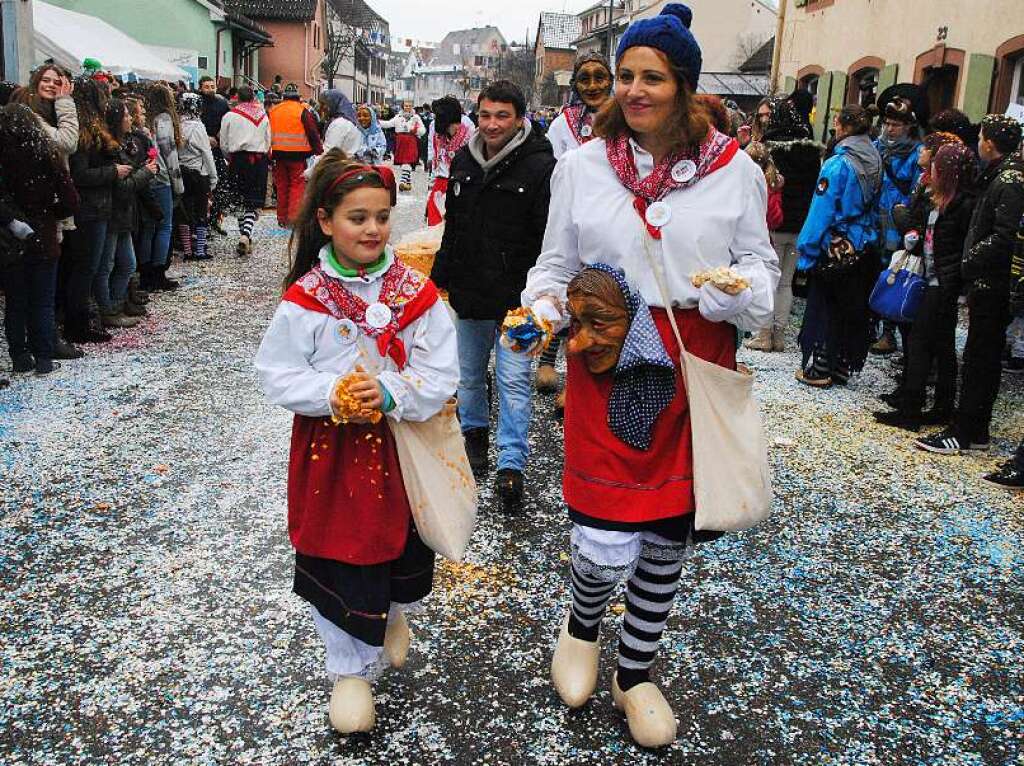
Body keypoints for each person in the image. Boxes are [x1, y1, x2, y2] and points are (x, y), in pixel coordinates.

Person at [518, 4, 777, 748]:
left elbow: (763, 271)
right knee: (603, 527)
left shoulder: (736, 173)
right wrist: (540, 311)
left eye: (651, 77)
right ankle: (581, 624)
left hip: (694, 364)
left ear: (686, 86)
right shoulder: (583, 165)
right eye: (625, 75)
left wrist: (736, 288)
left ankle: (636, 672)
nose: (631, 89)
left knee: (665, 535)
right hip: (608, 355)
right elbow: (556, 266)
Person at [255, 151, 458, 735]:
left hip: (400, 449)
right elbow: (277, 372)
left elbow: (440, 372)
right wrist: (332, 391)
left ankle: (390, 614)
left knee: (399, 546)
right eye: (357, 218)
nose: (372, 229)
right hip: (333, 455)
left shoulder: (414, 291)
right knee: (341, 550)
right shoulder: (306, 299)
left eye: (382, 217)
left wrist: (392, 393)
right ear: (325, 221)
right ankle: (348, 668)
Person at [429, 80, 557, 512]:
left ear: (519, 118)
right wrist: (441, 273)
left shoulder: (540, 166)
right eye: (485, 115)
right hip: (469, 288)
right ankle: (475, 438)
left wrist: (540, 292)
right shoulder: (465, 159)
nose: (492, 124)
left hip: (515, 295)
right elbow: (454, 224)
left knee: (514, 381)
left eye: (502, 116)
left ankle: (511, 466)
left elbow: (546, 237)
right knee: (467, 375)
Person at [915, 115, 1024, 455]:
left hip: (993, 283)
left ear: (989, 142)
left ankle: (966, 430)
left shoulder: (1008, 180)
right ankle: (974, 429)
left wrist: (969, 261)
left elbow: (1004, 235)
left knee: (981, 357)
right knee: (979, 355)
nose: (978, 142)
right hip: (987, 280)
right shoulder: (998, 176)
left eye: (981, 137)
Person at [874, 142, 975, 431]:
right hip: (933, 275)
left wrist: (949, 281)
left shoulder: (961, 204)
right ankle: (939, 406)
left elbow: (955, 247)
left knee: (921, 343)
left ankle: (912, 409)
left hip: (941, 282)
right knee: (939, 345)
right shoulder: (943, 199)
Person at [538, 53, 614, 402]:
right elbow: (555, 176)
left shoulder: (623, 118)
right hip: (573, 218)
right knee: (565, 294)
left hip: (609, 222)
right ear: (575, 85)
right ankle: (549, 362)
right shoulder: (562, 125)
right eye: (585, 78)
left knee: (600, 305)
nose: (594, 85)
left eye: (600, 77)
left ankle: (578, 383)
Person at [795, 104, 882, 387]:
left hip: (835, 243)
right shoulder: (876, 159)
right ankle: (844, 364)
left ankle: (821, 367)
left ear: (842, 127)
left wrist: (806, 251)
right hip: (863, 242)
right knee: (853, 308)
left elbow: (821, 211)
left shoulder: (838, 164)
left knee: (825, 307)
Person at [0, 103, 79, 375]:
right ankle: (44, 357)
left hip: (10, 239)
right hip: (44, 234)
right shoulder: (47, 153)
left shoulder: (5, 156)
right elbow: (70, 200)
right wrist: (50, 214)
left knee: (16, 301)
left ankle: (20, 356)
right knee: (42, 300)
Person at [745, 96, 822, 352]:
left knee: (769, 279)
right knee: (786, 282)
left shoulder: (771, 148)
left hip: (774, 223)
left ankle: (764, 333)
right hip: (800, 225)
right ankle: (779, 335)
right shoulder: (811, 150)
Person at [64, 78, 126, 343]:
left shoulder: (88, 131)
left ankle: (81, 320)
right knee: (86, 268)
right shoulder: (85, 134)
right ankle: (78, 324)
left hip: (96, 207)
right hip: (90, 209)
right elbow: (81, 175)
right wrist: (113, 171)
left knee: (89, 267)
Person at [97, 98, 157, 328]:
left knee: (127, 264)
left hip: (123, 214)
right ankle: (108, 309)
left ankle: (116, 303)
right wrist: (146, 173)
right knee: (107, 265)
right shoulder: (111, 148)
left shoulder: (123, 144)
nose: (131, 118)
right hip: (114, 214)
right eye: (127, 115)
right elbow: (122, 187)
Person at [871, 96, 923, 356]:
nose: (890, 129)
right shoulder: (876, 147)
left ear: (908, 126)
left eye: (896, 124)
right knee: (873, 272)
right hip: (874, 219)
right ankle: (871, 324)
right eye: (887, 123)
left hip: (898, 222)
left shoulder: (916, 153)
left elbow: (917, 191)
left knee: (894, 274)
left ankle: (889, 332)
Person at [219, 86, 271, 256]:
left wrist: (229, 157)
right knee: (253, 201)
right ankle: (246, 234)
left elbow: (224, 143)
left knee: (240, 199)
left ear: (237, 98)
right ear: (252, 98)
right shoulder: (263, 115)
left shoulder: (230, 115)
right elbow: (268, 139)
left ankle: (244, 234)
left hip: (238, 160)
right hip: (258, 160)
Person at [143, 83, 184, 291]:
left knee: (149, 227)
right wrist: (179, 185)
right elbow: (170, 154)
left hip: (145, 177)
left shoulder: (145, 119)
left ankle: (145, 271)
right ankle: (158, 271)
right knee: (164, 226)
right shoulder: (164, 120)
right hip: (161, 177)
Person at [269, 83, 323, 227]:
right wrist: (319, 151)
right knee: (297, 186)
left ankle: (281, 218)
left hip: (278, 154)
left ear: (283, 97)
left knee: (281, 186)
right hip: (298, 155)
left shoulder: (274, 110)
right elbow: (312, 132)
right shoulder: (303, 111)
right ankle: (293, 217)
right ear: (298, 98)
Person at [176, 92, 218, 261]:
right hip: (198, 173)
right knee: (201, 211)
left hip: (181, 172)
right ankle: (200, 250)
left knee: (184, 213)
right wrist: (213, 177)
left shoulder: (177, 125)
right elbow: (206, 153)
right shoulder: (198, 126)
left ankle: (187, 250)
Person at [424, 96, 473, 227]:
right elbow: (434, 152)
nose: (453, 130)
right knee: (434, 223)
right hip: (440, 181)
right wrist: (431, 187)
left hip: (461, 183)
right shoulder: (435, 128)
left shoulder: (469, 128)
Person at [379, 101, 426, 192]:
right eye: (405, 106)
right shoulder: (398, 117)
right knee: (404, 163)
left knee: (407, 162)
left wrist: (416, 130)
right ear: (403, 106)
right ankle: (408, 184)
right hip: (400, 141)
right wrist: (376, 121)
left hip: (411, 140)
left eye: (409, 106)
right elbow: (388, 124)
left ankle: (402, 181)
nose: (407, 107)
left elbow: (423, 130)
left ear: (412, 106)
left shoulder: (416, 117)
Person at [316, 89, 361, 161]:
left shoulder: (340, 124)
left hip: (339, 167)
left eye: (324, 104)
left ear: (334, 103)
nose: (321, 108)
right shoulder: (346, 121)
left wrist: (308, 171)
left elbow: (328, 153)